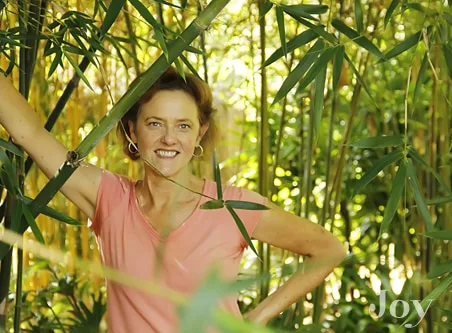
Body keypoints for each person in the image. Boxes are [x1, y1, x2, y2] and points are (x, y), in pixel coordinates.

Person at [0, 67, 347, 332]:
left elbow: (329, 249)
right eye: (155, 124)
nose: (169, 138)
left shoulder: (232, 208)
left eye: (183, 125)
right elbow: (28, 131)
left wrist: (256, 318)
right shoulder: (108, 198)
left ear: (201, 132)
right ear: (133, 131)